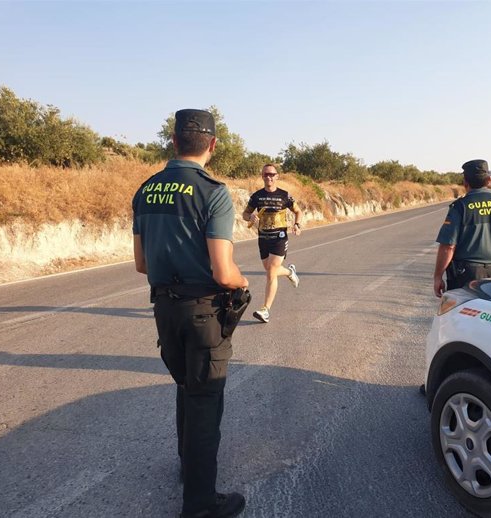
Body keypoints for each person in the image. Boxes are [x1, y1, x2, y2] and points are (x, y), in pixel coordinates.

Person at [132, 109, 247, 518]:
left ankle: (188, 468)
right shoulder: (212, 192)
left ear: (174, 140)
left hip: (165, 309)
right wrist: (242, 283)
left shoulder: (146, 190)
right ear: (212, 145)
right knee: (204, 402)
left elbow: (141, 264)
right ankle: (200, 504)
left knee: (186, 387)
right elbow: (222, 269)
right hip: (203, 313)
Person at [433, 159, 491, 297]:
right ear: (489, 180)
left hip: (466, 276)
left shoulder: (460, 207)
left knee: (464, 315)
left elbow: (448, 247)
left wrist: (438, 277)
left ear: (465, 182)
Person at [242, 164, 302, 323]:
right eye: (265, 175)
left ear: (277, 176)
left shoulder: (284, 195)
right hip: (263, 238)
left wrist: (297, 225)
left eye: (271, 174)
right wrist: (250, 217)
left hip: (279, 237)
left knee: (271, 271)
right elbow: (245, 213)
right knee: (270, 269)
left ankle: (265, 309)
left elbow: (298, 211)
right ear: (262, 176)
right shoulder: (257, 196)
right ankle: (290, 273)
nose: (268, 177)